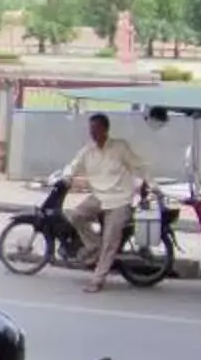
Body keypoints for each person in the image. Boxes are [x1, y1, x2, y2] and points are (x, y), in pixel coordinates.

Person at [58, 112, 148, 292]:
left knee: (110, 239)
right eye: (91, 130)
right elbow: (74, 165)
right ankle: (94, 246)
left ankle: (97, 280)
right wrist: (66, 177)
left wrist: (148, 183)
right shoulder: (88, 151)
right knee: (76, 215)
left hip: (120, 199)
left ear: (105, 130)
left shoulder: (120, 148)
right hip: (99, 196)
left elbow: (138, 166)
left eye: (96, 129)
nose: (93, 133)